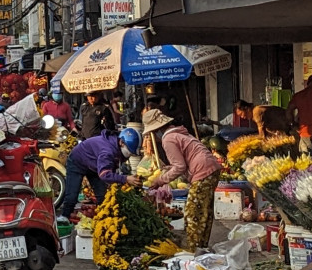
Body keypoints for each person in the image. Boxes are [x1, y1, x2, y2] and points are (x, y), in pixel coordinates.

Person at [142, 108, 224, 251]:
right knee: (204, 211)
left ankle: (193, 251)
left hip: (203, 171)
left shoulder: (168, 139)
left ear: (157, 129)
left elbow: (179, 167)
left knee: (194, 214)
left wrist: (160, 180)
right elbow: (182, 162)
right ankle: (201, 247)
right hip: (211, 168)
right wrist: (168, 169)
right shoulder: (178, 133)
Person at [56, 127, 137, 219]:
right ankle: (64, 217)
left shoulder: (116, 147)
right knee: (72, 195)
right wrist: (126, 179)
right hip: (77, 161)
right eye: (129, 152)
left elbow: (110, 168)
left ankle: (103, 219)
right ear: (122, 142)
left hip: (94, 165)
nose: (129, 155)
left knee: (103, 196)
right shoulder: (107, 151)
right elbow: (104, 175)